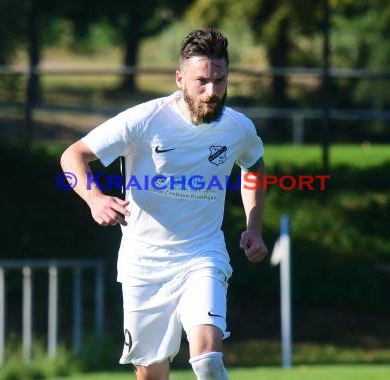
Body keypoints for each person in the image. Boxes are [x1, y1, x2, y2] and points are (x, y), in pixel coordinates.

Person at [60, 27, 268, 380]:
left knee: (207, 359)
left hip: (202, 253)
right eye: (202, 81)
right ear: (179, 78)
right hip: (144, 262)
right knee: (152, 374)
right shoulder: (144, 120)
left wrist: (254, 227)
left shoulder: (237, 128)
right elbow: (73, 155)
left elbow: (254, 165)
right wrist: (94, 199)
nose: (212, 91)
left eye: (220, 80)